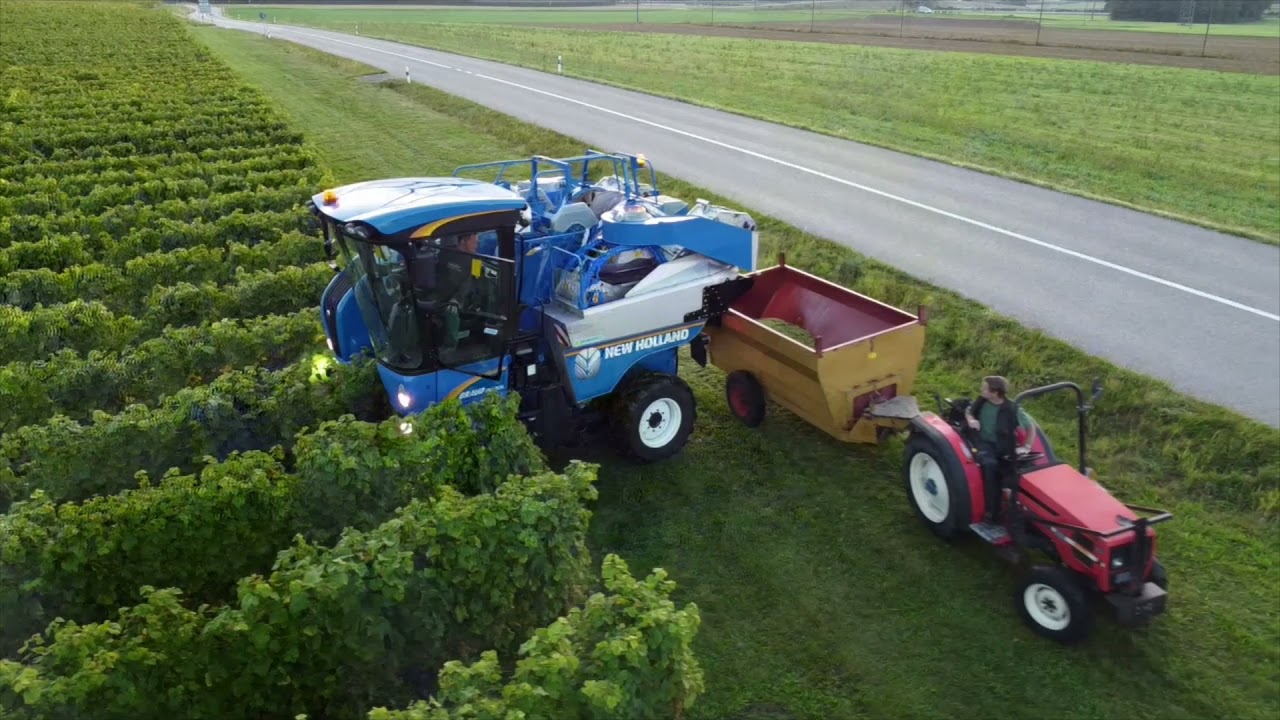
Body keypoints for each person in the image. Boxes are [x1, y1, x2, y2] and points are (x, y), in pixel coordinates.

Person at [964, 375, 1036, 523]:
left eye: (984, 388)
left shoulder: (1012, 409)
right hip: (984, 443)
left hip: (1005, 446)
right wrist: (971, 420)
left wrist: (1026, 447)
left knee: (1019, 469)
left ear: (995, 393)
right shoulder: (982, 401)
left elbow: (1031, 427)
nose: (981, 389)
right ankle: (992, 512)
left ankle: (1022, 509)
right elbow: (969, 411)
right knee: (990, 466)